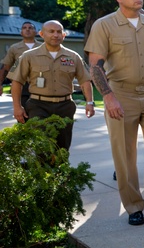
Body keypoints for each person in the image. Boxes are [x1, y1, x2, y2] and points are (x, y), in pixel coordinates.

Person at [85, 0, 144, 226]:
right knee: (124, 154)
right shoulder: (105, 25)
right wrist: (108, 97)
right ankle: (134, 205)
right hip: (121, 96)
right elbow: (95, 66)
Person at [9, 20, 94, 150]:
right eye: (51, 31)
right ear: (42, 34)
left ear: (64, 35)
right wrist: (17, 107)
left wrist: (90, 102)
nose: (55, 35)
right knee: (42, 145)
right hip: (38, 105)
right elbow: (16, 81)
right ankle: (42, 170)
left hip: (65, 106)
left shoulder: (73, 57)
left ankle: (60, 170)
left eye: (59, 32)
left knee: (62, 147)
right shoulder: (28, 56)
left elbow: (85, 81)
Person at [1, 21, 42, 107]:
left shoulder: (43, 47)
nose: (27, 30)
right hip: (22, 85)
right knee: (24, 113)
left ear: (36, 32)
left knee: (41, 112)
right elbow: (6, 67)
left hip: (40, 84)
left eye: (30, 28)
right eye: (24, 28)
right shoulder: (14, 48)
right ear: (21, 32)